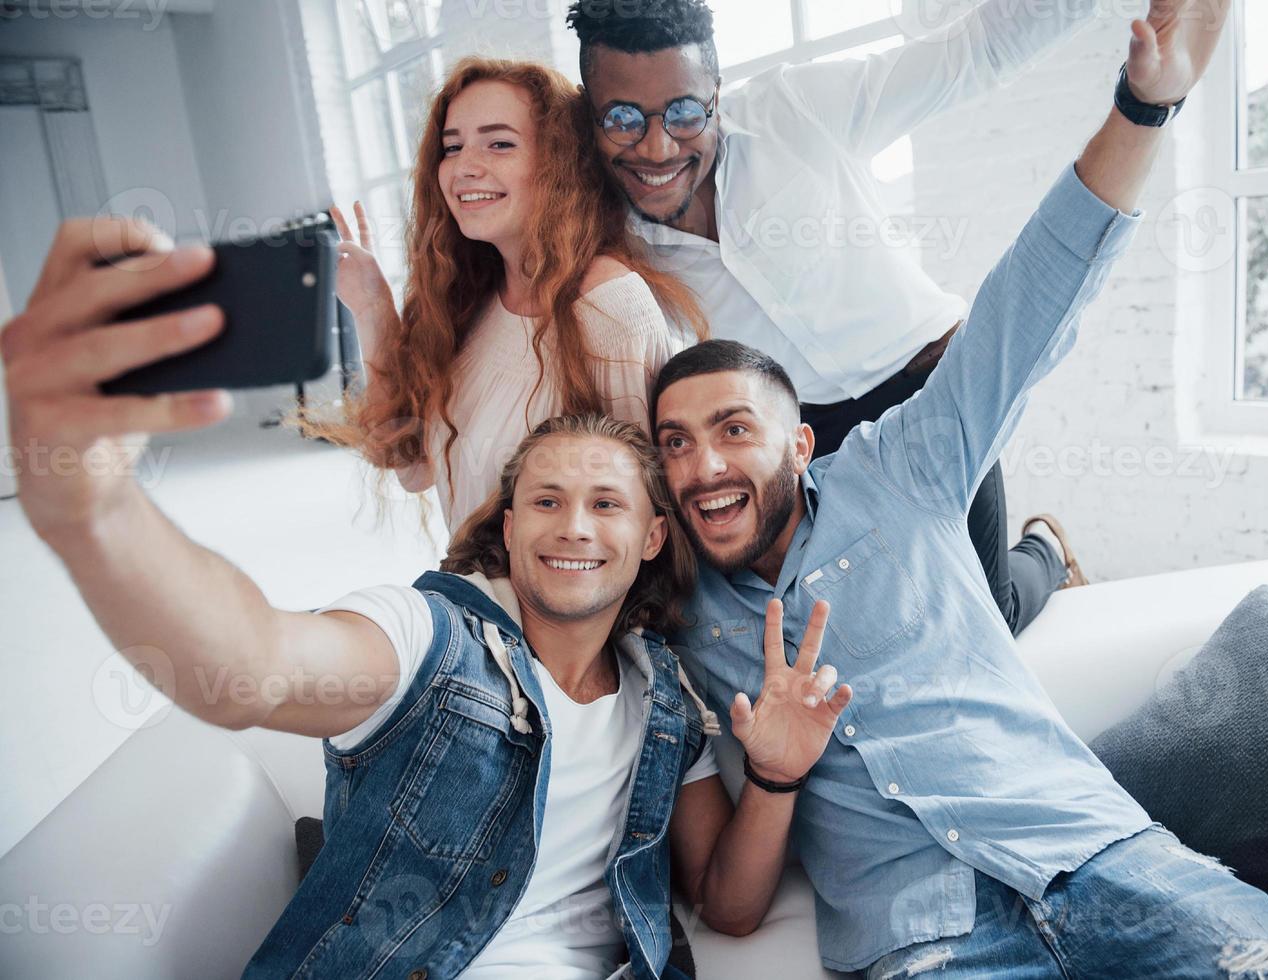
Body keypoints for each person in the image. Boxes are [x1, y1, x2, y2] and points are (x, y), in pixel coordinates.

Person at [649, 1, 1268, 976]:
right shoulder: (683, 616)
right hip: (925, 944)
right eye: (675, 443)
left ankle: (1043, 555)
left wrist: (1145, 108)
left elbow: (1034, 294)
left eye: (731, 430)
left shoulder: (897, 468)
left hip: (1108, 865)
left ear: (801, 443)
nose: (705, 463)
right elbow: (729, 901)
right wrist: (772, 768)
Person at [1, 219, 855, 977]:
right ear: (510, 527)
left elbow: (728, 904)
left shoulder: (666, 701)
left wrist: (776, 776)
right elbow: (250, 670)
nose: (575, 530)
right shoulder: (428, 639)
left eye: (607, 506)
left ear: (653, 537)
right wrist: (94, 505)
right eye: (548, 502)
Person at [566, 0, 1095, 636]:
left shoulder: (794, 110)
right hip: (811, 442)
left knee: (989, 618)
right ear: (590, 115)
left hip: (931, 389)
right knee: (873, 630)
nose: (657, 147)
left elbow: (972, 53)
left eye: (683, 114)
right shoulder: (607, 243)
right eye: (622, 119)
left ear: (716, 94)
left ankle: (1047, 548)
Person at [318, 57, 707, 532]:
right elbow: (414, 470)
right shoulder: (467, 299)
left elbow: (640, 517)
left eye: (499, 144)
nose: (465, 168)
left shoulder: (609, 306)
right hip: (472, 596)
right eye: (452, 147)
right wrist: (373, 307)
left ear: (559, 163)